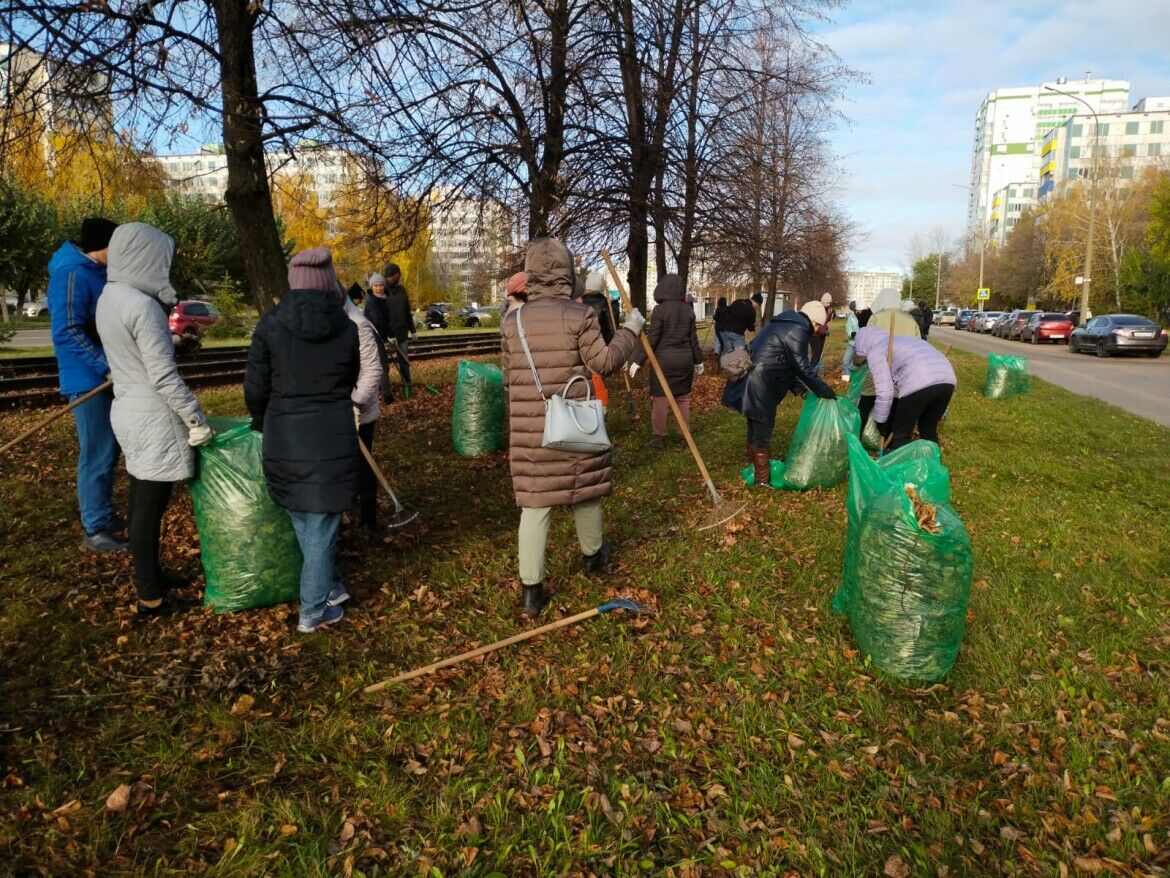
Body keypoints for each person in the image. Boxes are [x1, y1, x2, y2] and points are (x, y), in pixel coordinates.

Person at [500, 238, 644, 618]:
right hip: (574, 423)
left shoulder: (511, 321)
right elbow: (606, 363)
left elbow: (507, 381)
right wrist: (632, 329)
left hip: (531, 430)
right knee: (585, 492)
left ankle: (532, 593)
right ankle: (593, 559)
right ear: (566, 274)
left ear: (531, 274)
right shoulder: (579, 315)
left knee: (535, 504)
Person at [94, 223, 213, 616]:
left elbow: (134, 352)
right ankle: (151, 597)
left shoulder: (111, 296)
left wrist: (171, 342)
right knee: (148, 507)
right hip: (153, 416)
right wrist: (195, 418)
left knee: (142, 504)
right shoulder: (143, 306)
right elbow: (163, 375)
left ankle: (153, 577)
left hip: (127, 409)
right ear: (145, 256)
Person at [245, 247, 360, 633]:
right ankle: (313, 610)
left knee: (304, 515)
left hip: (284, 435)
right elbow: (350, 378)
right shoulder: (347, 328)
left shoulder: (270, 324)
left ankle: (328, 587)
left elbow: (255, 387)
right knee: (323, 523)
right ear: (329, 281)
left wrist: (264, 422)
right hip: (331, 435)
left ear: (293, 281)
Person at [47, 216, 125, 553]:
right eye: (116, 246)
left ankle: (102, 515)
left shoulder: (95, 272)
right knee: (97, 452)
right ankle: (95, 530)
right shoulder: (71, 273)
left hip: (106, 375)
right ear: (101, 247)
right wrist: (104, 365)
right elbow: (66, 330)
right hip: (88, 378)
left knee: (109, 450)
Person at [722, 301, 837, 486]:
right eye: (817, 326)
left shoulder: (784, 323)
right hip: (760, 384)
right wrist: (824, 390)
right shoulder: (798, 330)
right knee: (762, 431)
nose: (816, 331)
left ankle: (754, 468)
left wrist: (802, 392)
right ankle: (761, 481)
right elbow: (801, 367)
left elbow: (786, 365)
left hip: (754, 379)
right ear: (814, 321)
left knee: (754, 426)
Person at [628, 274, 703, 450]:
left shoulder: (660, 310)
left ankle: (658, 439)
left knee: (660, 400)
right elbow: (693, 340)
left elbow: (652, 338)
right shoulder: (688, 310)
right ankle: (684, 439)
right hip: (684, 361)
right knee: (682, 400)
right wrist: (698, 361)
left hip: (664, 362)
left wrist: (638, 361)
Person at [853, 325, 956, 450]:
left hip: (919, 381)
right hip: (947, 379)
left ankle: (900, 468)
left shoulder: (876, 351)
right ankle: (933, 466)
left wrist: (881, 422)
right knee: (928, 430)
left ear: (863, 345)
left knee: (901, 434)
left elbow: (885, 391)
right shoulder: (900, 341)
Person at [343, 286, 384, 540]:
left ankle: (369, 521)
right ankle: (349, 508)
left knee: (363, 463)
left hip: (360, 410)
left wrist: (355, 403)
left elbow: (372, 371)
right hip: (336, 409)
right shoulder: (329, 321)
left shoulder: (358, 325)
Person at [365, 264, 415, 398]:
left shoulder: (401, 291)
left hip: (401, 332)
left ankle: (407, 385)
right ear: (388, 277)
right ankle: (385, 392)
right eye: (394, 277)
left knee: (404, 362)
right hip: (386, 336)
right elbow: (379, 319)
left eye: (397, 276)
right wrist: (387, 336)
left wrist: (413, 329)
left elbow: (407, 311)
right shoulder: (379, 295)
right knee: (383, 365)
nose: (396, 279)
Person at [582, 271, 615, 343]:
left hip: (582, 345)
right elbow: (610, 327)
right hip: (601, 344)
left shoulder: (579, 303)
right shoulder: (605, 303)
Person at [809, 293, 834, 375]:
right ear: (823, 301)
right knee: (816, 356)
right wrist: (823, 331)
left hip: (822, 335)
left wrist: (831, 315)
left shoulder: (827, 309)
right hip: (815, 336)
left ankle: (815, 373)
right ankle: (811, 374)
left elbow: (826, 322)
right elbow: (815, 324)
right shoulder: (818, 310)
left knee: (819, 356)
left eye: (830, 303)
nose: (829, 304)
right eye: (827, 303)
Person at [842, 300, 859, 379]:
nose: (857, 311)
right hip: (852, 343)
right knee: (846, 361)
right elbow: (848, 328)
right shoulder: (851, 317)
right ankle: (846, 380)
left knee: (857, 364)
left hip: (862, 345)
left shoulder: (866, 316)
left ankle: (856, 379)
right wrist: (851, 334)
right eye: (855, 310)